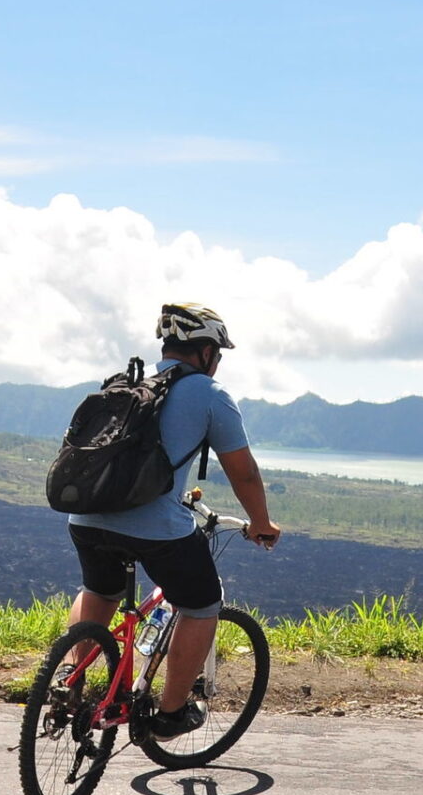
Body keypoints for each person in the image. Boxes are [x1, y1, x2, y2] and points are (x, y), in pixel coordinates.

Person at [65, 304, 281, 738]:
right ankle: (169, 715)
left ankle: (69, 682)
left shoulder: (125, 384)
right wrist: (261, 522)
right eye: (217, 352)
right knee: (201, 604)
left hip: (86, 517)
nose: (217, 361)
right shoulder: (210, 394)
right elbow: (243, 471)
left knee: (99, 590)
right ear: (204, 352)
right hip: (156, 528)